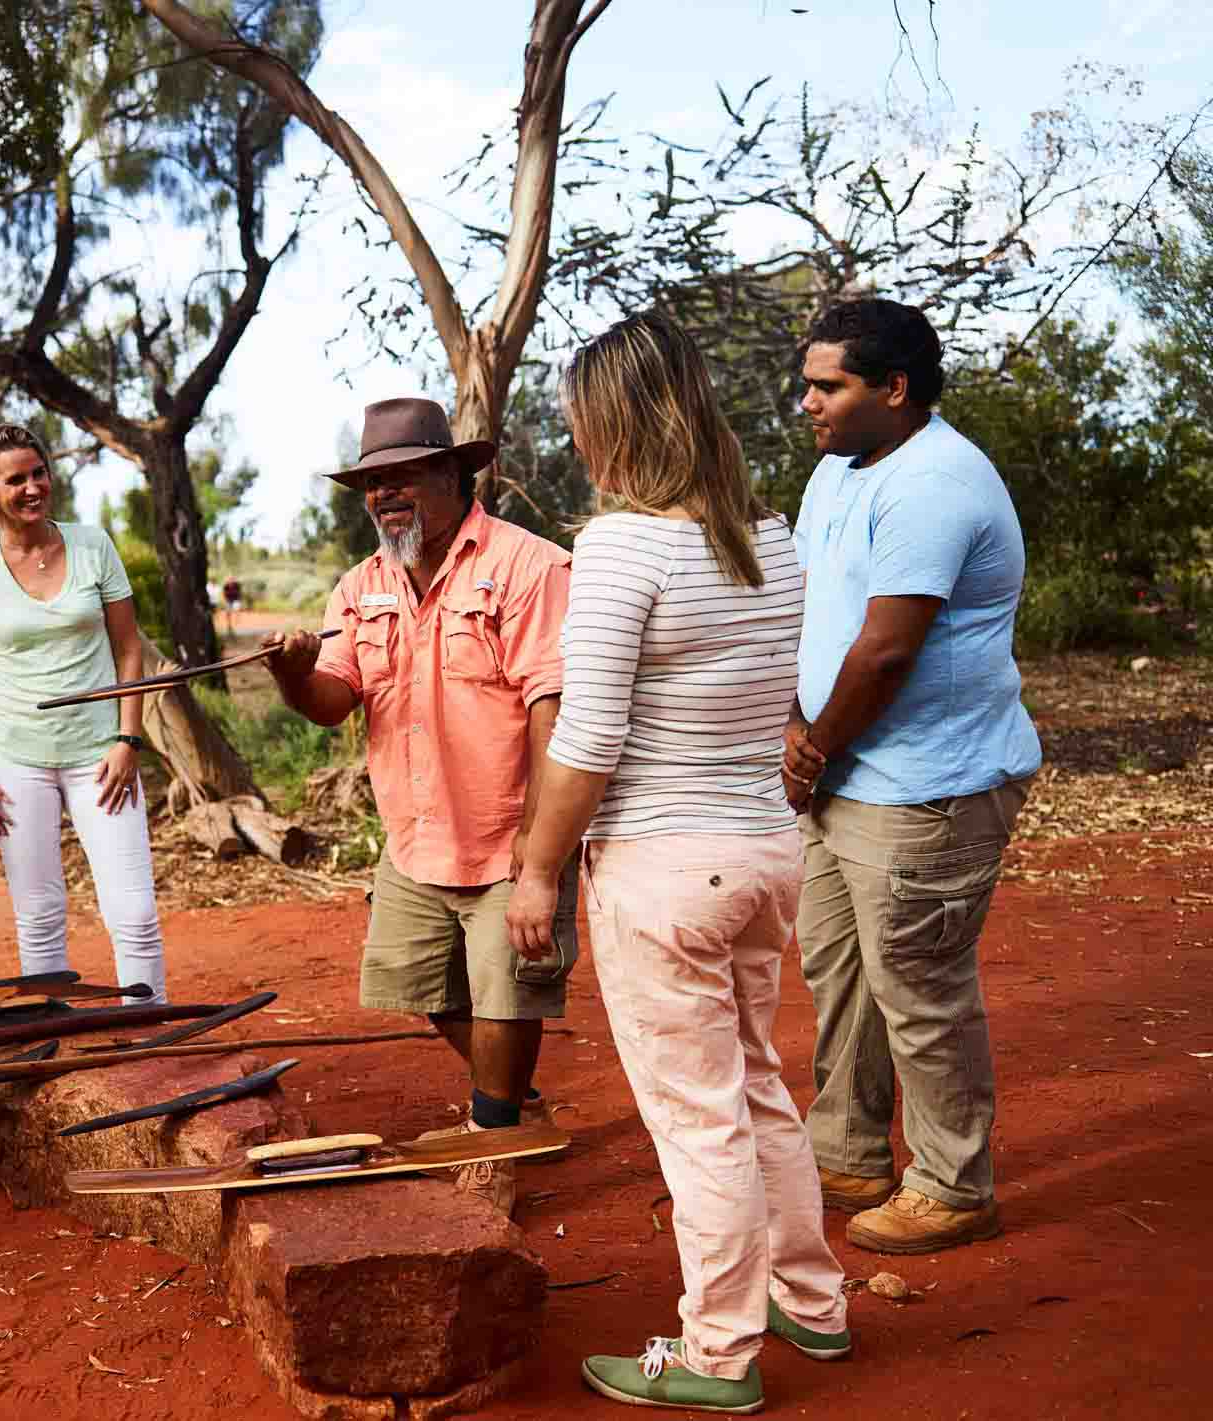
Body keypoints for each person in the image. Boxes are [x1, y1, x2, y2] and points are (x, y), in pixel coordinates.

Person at [507, 314, 849, 1412]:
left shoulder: (620, 545)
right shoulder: (772, 537)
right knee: (755, 1085)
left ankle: (716, 1352)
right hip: (762, 851)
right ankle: (813, 1298)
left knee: (698, 1114)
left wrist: (533, 868)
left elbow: (587, 740)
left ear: (607, 418)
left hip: (663, 867)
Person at [264, 397, 578, 1216]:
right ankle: (516, 1101)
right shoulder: (359, 587)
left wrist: (541, 847)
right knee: (420, 985)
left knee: (506, 990)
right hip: (414, 834)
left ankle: (493, 1136)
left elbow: (553, 708)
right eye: (372, 482)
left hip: (509, 826)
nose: (384, 495)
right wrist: (290, 673)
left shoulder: (527, 566)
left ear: (452, 473)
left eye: (402, 476)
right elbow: (334, 700)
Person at [784, 298, 1041, 1255]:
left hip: (924, 785)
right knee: (841, 972)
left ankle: (954, 1184)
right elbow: (812, 614)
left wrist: (811, 748)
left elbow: (887, 651)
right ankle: (849, 1152)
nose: (806, 402)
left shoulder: (935, 482)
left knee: (921, 986)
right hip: (849, 773)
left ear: (894, 388)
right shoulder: (837, 471)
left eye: (828, 385)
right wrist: (795, 728)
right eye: (808, 382)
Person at [0, 422, 167, 998]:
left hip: (101, 753)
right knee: (40, 917)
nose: (31, 488)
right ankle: (53, 1050)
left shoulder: (93, 544)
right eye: (14, 479)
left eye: (38, 473)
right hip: (15, 756)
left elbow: (128, 648)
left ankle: (150, 1038)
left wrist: (128, 740)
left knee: (135, 912)